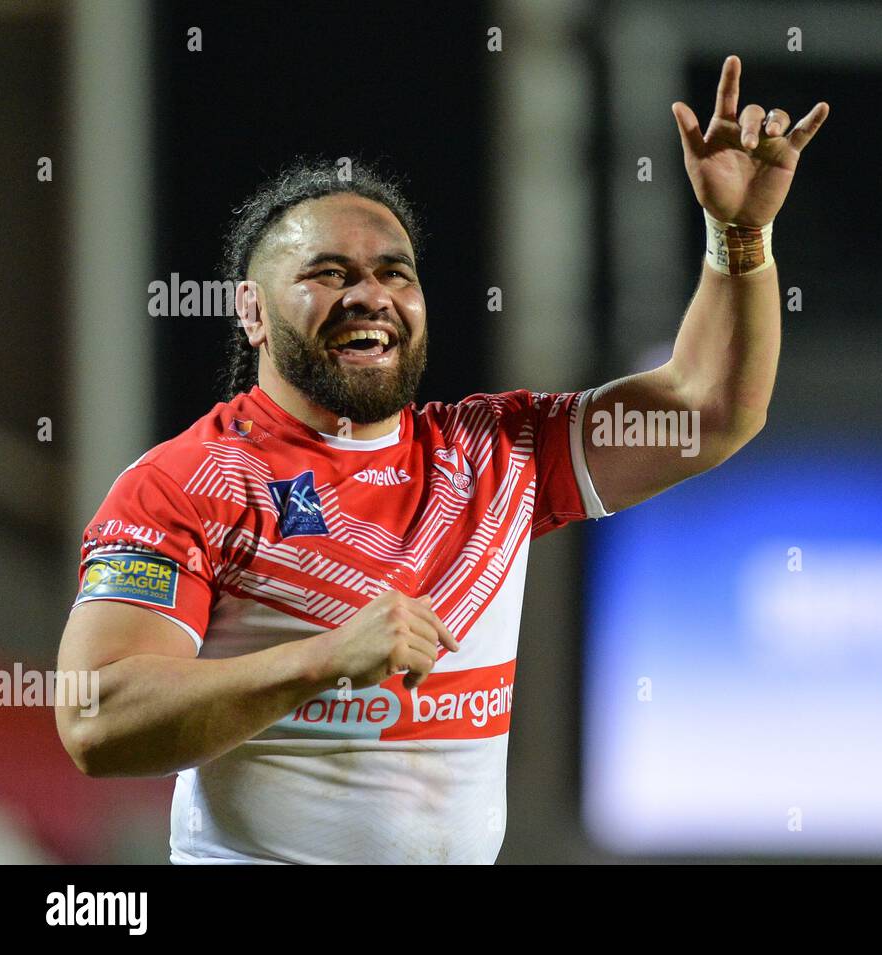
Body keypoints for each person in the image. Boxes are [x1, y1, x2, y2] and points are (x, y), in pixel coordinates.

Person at [54, 55, 828, 863]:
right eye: (328, 273)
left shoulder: (498, 454)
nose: (371, 295)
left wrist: (738, 236)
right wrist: (322, 660)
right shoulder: (188, 482)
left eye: (396, 272)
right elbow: (95, 719)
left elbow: (711, 412)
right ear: (250, 310)